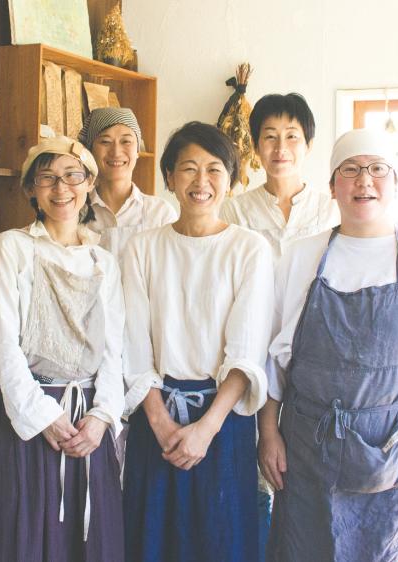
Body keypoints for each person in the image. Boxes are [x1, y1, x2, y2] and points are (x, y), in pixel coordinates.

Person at [259, 128, 398, 561]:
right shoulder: (300, 256)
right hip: (309, 454)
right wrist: (268, 432)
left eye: (377, 169)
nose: (364, 180)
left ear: (396, 183)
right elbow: (273, 358)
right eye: (350, 170)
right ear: (332, 186)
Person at [122, 121, 274, 562]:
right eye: (188, 169)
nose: (201, 181)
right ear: (169, 177)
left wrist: (205, 430)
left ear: (230, 178)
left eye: (214, 169)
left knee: (220, 543)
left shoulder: (249, 248)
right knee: (152, 542)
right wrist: (161, 424)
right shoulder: (142, 248)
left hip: (222, 424)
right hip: (155, 421)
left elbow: (245, 352)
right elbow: (133, 345)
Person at [0, 136, 126, 562]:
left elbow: (115, 352)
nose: (62, 189)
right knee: (25, 545)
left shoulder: (104, 263)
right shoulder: (11, 249)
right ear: (30, 190)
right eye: (48, 178)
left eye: (73, 175)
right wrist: (46, 418)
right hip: (29, 424)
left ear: (90, 183)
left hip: (88, 432)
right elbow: (3, 347)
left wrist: (101, 418)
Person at [221, 93, 339, 261]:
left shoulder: (331, 211)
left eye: (292, 136)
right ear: (255, 146)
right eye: (270, 137)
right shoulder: (234, 211)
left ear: (308, 145)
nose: (280, 148)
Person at [78, 107, 177, 259]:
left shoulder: (160, 214)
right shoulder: (75, 211)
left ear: (137, 151)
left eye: (126, 141)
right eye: (105, 141)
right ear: (90, 151)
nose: (116, 152)